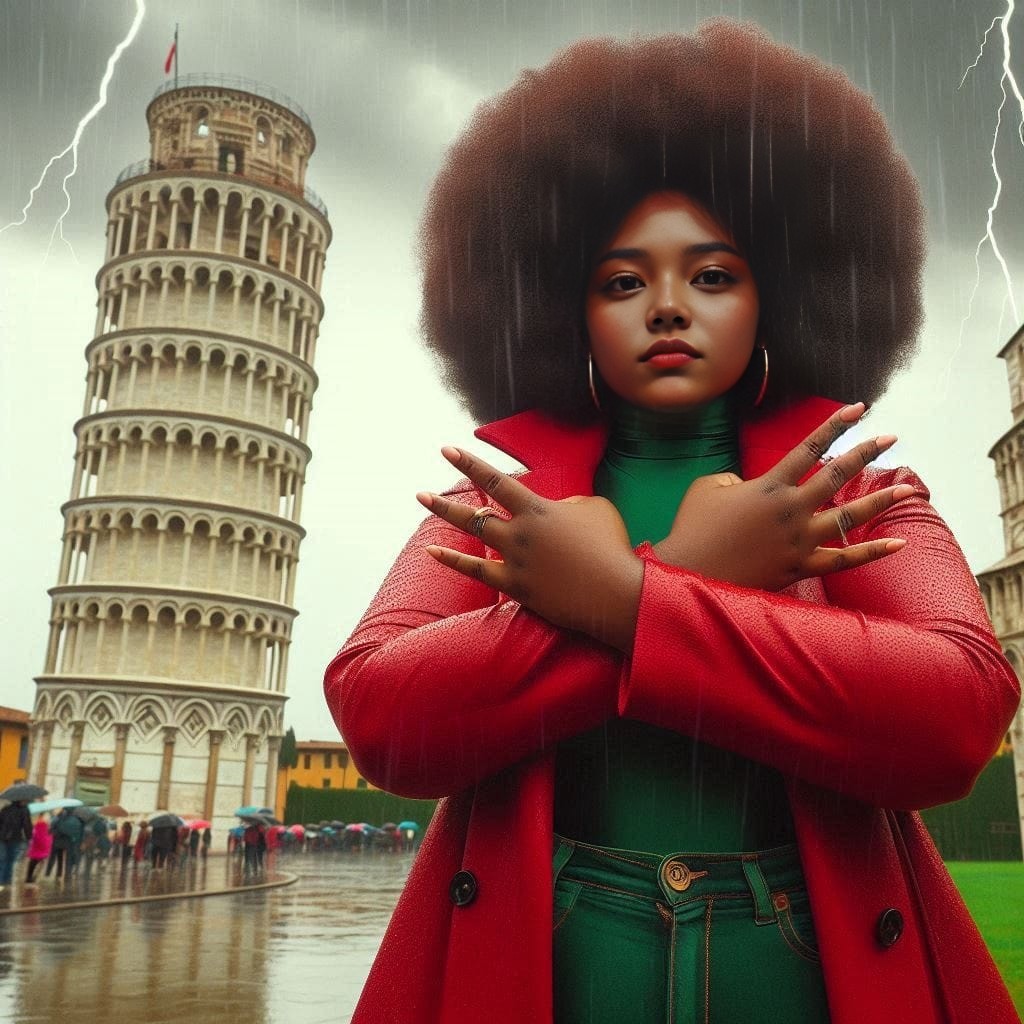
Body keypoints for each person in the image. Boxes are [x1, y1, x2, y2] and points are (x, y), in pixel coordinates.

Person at [323, 21, 1021, 1024]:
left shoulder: (850, 490)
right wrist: (695, 573)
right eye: (621, 280)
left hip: (794, 962)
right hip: (552, 960)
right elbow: (380, 714)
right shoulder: (498, 505)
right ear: (568, 308)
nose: (664, 306)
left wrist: (622, 597)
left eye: (711, 274)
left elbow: (955, 714)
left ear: (775, 297)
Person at [0, 799, 32, 890]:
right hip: (15, 838)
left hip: (2, 838)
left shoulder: (5, 809)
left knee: (2, 860)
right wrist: (29, 837)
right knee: (11, 860)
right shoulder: (24, 810)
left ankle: (1, 881)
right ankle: (7, 881)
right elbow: (27, 825)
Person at [24, 813, 51, 886]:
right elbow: (40, 837)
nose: (49, 818)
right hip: (39, 848)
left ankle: (30, 878)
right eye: (47, 816)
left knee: (35, 862)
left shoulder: (41, 824)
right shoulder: (41, 825)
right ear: (42, 816)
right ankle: (31, 879)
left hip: (38, 847)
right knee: (36, 862)